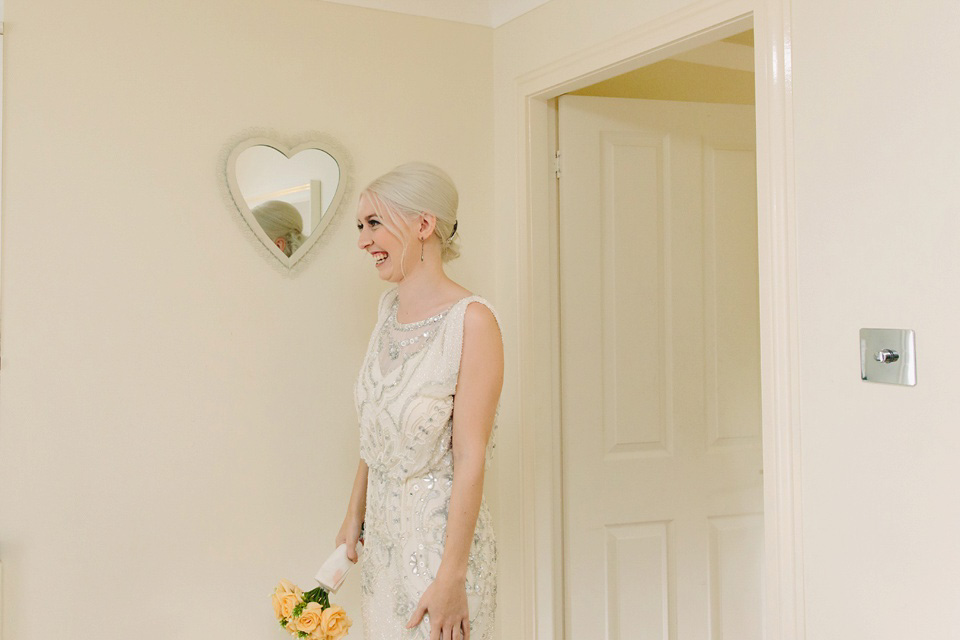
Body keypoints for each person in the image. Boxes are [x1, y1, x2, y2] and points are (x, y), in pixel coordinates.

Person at [337, 162, 503, 640]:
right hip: (384, 549)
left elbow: (471, 459)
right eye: (360, 226)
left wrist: (450, 578)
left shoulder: (472, 322)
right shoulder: (387, 311)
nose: (363, 240)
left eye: (374, 224)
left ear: (424, 225)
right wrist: (354, 515)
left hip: (439, 553)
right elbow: (378, 427)